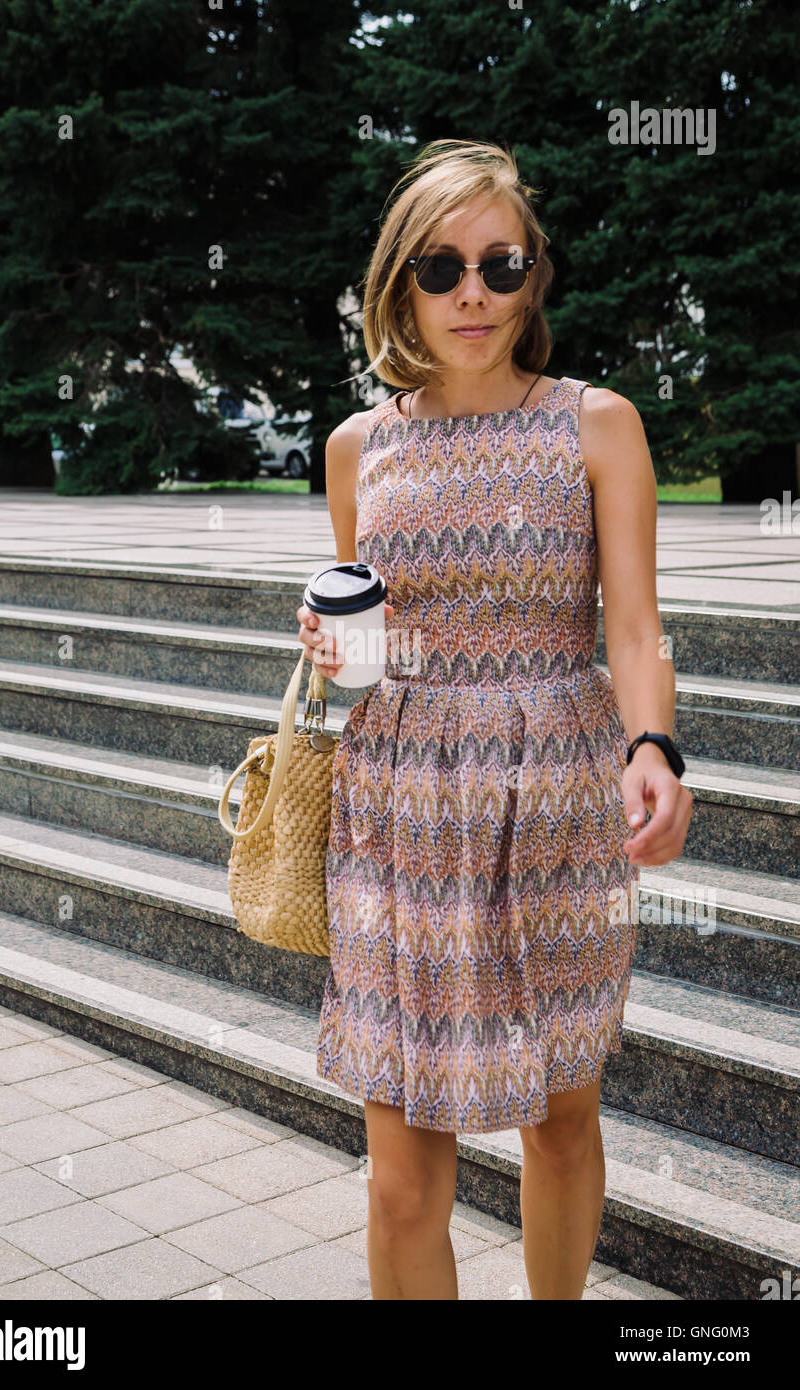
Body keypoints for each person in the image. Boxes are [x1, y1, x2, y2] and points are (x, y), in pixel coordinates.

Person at [296, 138, 693, 1300]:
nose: (471, 291)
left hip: (554, 798)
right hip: (397, 811)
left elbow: (633, 630)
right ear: (398, 284)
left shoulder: (596, 424)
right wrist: (329, 652)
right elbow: (354, 653)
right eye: (438, 267)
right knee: (399, 1181)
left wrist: (653, 747)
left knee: (559, 1122)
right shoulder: (354, 447)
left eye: (498, 262)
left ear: (531, 277)